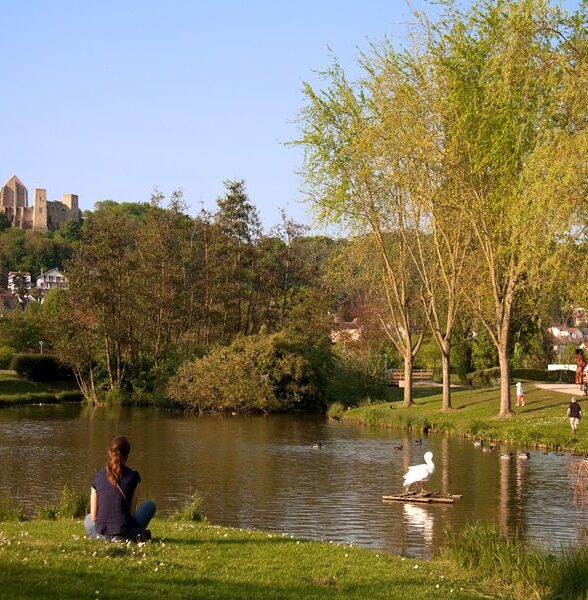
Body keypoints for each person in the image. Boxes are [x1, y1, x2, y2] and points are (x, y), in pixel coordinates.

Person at [84, 436, 156, 541]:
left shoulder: (98, 476)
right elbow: (131, 514)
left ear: (109, 453)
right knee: (150, 505)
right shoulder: (133, 477)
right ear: (127, 455)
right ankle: (134, 535)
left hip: (102, 533)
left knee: (88, 519)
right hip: (124, 532)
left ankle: (112, 537)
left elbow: (94, 516)